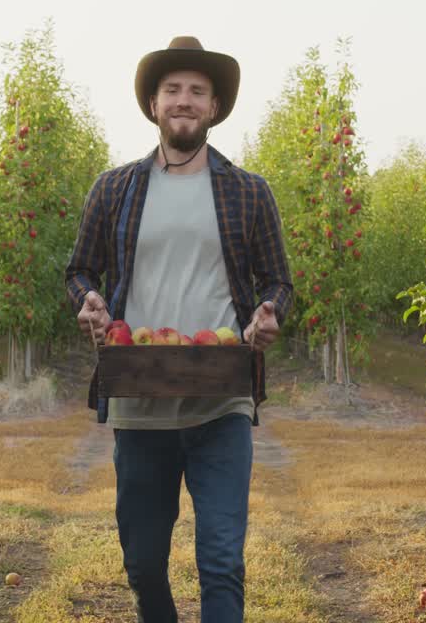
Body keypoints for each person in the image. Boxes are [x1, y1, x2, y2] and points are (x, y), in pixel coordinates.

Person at [64, 36, 293, 622]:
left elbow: (278, 283)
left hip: (222, 401)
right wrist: (90, 300)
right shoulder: (114, 189)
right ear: (153, 104)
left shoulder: (249, 191)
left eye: (197, 91)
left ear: (214, 107)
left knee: (221, 561)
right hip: (140, 400)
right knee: (142, 562)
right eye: (173, 90)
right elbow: (80, 269)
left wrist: (268, 314)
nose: (184, 100)